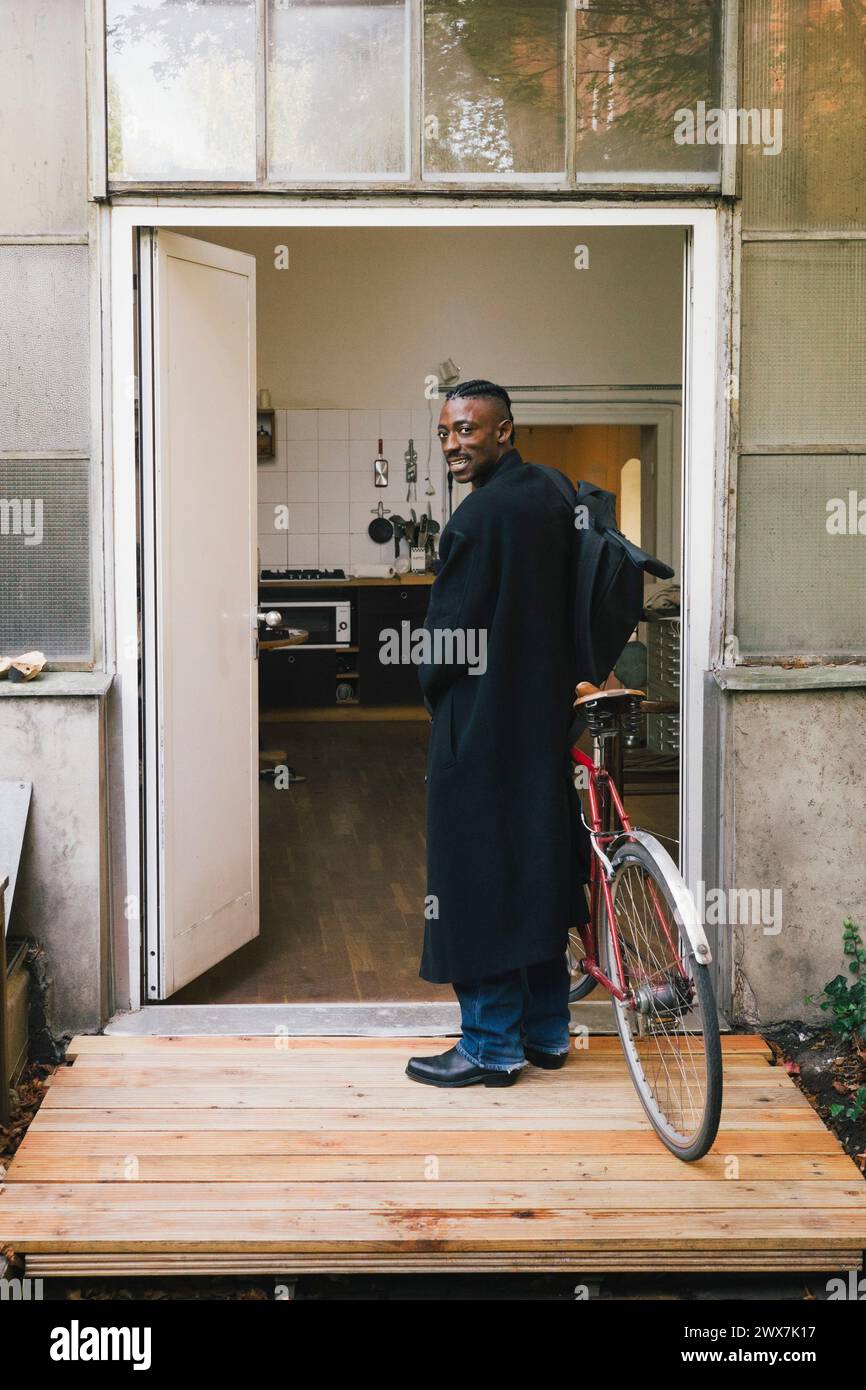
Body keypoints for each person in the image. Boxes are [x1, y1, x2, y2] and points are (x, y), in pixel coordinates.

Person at [406, 380, 591, 1089]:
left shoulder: (476, 519)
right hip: (543, 720)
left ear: (505, 431)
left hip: (481, 728)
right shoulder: (553, 495)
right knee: (535, 867)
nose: (455, 443)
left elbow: (446, 648)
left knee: (473, 877)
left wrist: (435, 692)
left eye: (469, 430)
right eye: (448, 430)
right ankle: (546, 1034)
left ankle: (488, 1044)